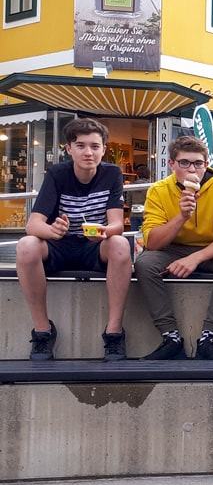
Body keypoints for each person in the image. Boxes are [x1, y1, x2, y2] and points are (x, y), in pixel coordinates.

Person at [16, 118, 131, 361]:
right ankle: (43, 331)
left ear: (104, 149)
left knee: (120, 244)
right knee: (26, 246)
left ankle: (114, 333)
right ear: (69, 149)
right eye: (80, 145)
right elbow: (33, 225)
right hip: (59, 245)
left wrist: (104, 231)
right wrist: (53, 231)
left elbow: (117, 224)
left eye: (95, 146)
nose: (88, 152)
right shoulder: (58, 174)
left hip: (94, 247)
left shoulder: (112, 174)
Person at [134, 136, 213, 360]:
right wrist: (182, 216)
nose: (192, 169)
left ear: (206, 164)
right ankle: (170, 336)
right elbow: (152, 243)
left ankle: (209, 337)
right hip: (172, 249)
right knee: (145, 263)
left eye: (198, 163)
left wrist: (195, 258)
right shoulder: (159, 190)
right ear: (172, 164)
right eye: (184, 163)